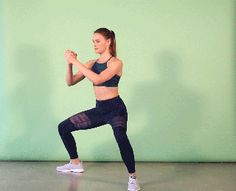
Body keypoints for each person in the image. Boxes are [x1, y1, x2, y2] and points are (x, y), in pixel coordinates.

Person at [56, 27, 140, 191]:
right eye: (93, 41)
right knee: (63, 127)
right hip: (100, 110)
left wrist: (75, 61)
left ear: (108, 41)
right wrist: (69, 64)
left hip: (116, 110)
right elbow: (70, 81)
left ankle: (133, 178)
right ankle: (75, 163)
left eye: (97, 41)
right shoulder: (91, 63)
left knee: (121, 137)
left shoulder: (116, 63)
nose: (94, 44)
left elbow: (99, 79)